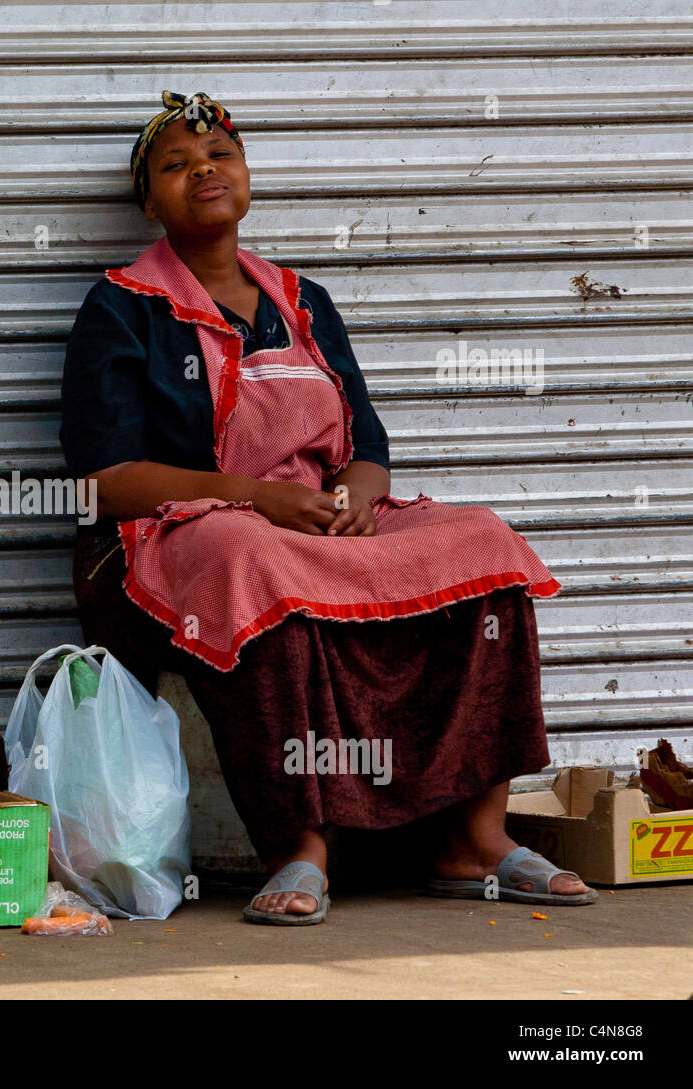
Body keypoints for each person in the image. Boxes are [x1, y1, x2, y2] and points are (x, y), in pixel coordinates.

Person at [60, 89, 596, 925]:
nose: (204, 169)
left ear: (247, 175)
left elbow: (370, 451)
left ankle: (476, 839)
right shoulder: (122, 308)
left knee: (484, 544)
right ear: (148, 201)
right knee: (249, 555)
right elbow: (101, 480)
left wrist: (353, 496)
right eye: (175, 164)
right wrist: (253, 496)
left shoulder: (303, 299)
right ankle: (299, 845)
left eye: (221, 155)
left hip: (315, 522)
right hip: (168, 539)